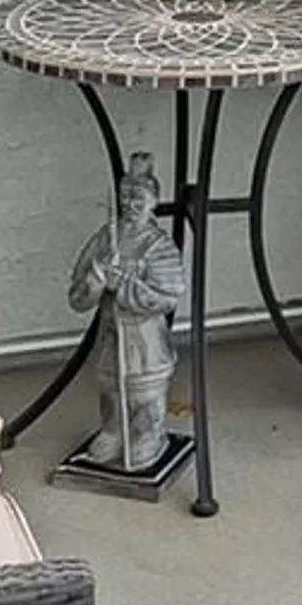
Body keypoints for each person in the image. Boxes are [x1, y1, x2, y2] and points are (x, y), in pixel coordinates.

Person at [68, 153, 187, 473]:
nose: (129, 205)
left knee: (143, 391)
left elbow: (169, 295)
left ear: (153, 202)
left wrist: (126, 286)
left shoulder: (158, 245)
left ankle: (147, 435)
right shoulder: (107, 237)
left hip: (145, 337)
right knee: (109, 386)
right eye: (124, 197)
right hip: (111, 332)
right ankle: (112, 432)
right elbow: (77, 295)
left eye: (138, 198)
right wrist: (95, 282)